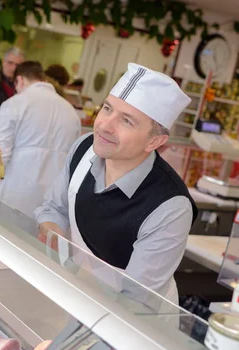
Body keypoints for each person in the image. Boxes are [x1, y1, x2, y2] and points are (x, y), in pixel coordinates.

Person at [35, 63, 197, 305]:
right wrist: (52, 237)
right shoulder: (83, 149)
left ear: (155, 141)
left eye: (127, 121)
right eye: (107, 108)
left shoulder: (170, 206)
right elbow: (54, 209)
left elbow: (136, 300)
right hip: (79, 296)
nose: (104, 126)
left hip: (136, 327)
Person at [0, 61, 80, 218]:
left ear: (20, 80)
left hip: (15, 193)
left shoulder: (14, 104)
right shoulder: (71, 111)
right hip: (52, 200)